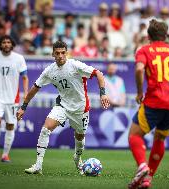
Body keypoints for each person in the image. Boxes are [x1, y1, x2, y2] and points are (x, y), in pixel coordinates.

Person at [16, 41, 110, 174]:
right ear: (53, 54)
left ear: (67, 53)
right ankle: (38, 165)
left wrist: (103, 94)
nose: (60, 55)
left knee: (80, 138)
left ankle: (77, 157)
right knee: (45, 129)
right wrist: (23, 107)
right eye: (57, 53)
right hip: (62, 105)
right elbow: (35, 88)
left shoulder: (75, 65)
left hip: (80, 108)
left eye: (63, 53)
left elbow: (99, 74)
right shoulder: (49, 71)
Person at [128, 19, 169, 189]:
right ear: (166, 35)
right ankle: (147, 179)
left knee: (134, 135)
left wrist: (140, 93)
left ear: (148, 36)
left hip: (155, 100)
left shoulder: (145, 50)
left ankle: (143, 166)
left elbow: (140, 69)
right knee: (160, 138)